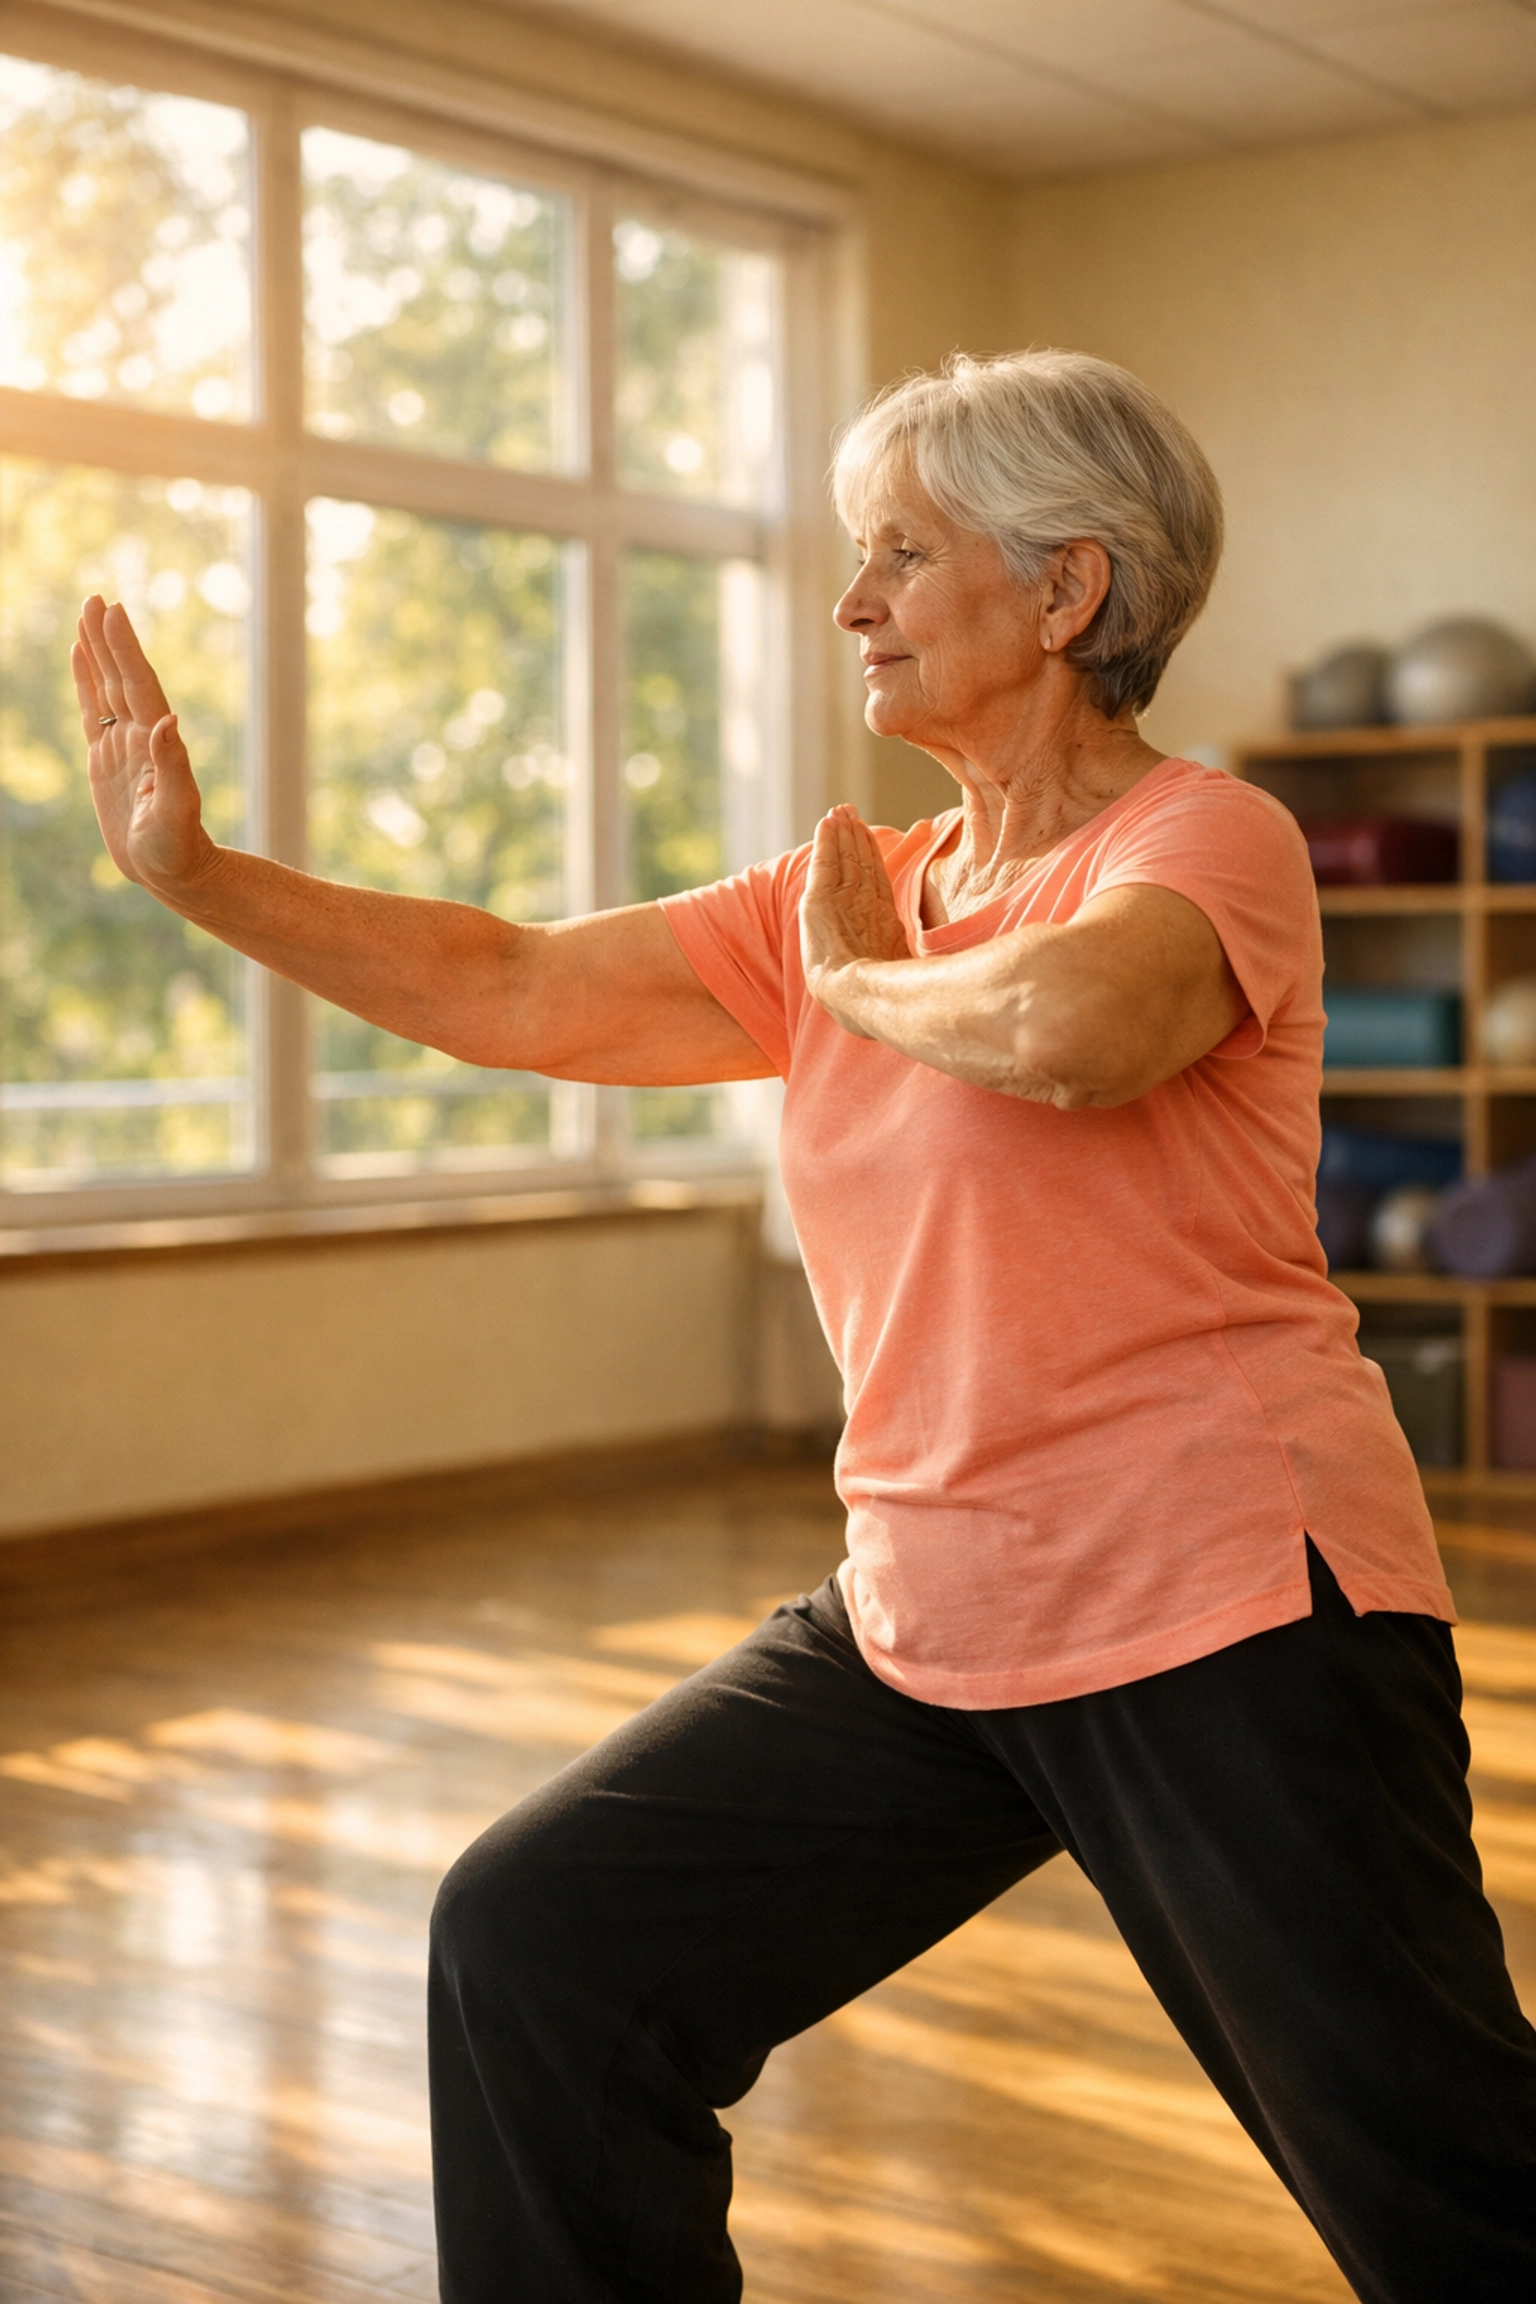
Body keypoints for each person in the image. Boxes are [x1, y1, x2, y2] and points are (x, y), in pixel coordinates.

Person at [75, 349, 1535, 2304]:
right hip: (937, 1615)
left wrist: (858, 990)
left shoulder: (1204, 844)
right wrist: (204, 881)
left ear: (1066, 593)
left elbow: (1073, 1033)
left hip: (1231, 1609)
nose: (852, 601)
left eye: (899, 557)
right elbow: (514, 984)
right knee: (541, 1951)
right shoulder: (852, 897)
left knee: (1452, 2194)